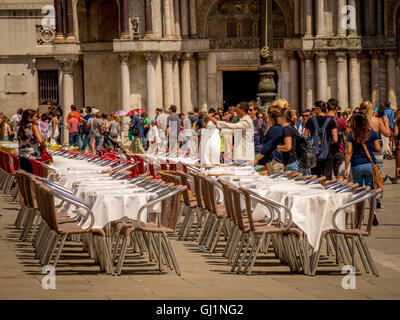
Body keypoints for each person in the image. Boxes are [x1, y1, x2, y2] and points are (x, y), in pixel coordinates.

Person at [344, 113, 380, 226]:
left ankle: (361, 216)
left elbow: (349, 152)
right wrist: (370, 147)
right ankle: (373, 212)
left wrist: (346, 167)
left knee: (358, 190)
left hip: (356, 165)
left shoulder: (352, 135)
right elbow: (378, 148)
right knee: (371, 189)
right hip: (370, 164)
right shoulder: (372, 134)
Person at [304, 100, 338, 180]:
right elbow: (336, 139)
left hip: (314, 154)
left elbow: (305, 137)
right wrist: (326, 142)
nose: (313, 111)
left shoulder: (310, 120)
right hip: (327, 154)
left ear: (317, 109)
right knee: (327, 179)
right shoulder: (331, 121)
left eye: (313, 109)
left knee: (315, 178)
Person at [254, 105, 284, 173]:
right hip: (274, 161)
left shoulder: (276, 129)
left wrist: (256, 159)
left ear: (270, 115)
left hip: (275, 162)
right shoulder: (275, 127)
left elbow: (267, 146)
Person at [327, 98, 350, 179]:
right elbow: (348, 135)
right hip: (338, 151)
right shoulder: (340, 120)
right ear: (337, 108)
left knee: (326, 178)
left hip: (326, 151)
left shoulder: (323, 119)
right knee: (340, 177)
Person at [17, 109, 45, 173]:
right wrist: (44, 143)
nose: (37, 118)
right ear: (29, 118)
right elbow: (40, 141)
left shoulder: (19, 127)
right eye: (35, 117)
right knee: (36, 177)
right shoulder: (34, 126)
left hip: (22, 155)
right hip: (34, 156)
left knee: (26, 176)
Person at [394, 110, 400, 182]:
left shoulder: (397, 122)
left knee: (398, 162)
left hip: (399, 144)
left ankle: (397, 176)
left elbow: (396, 133)